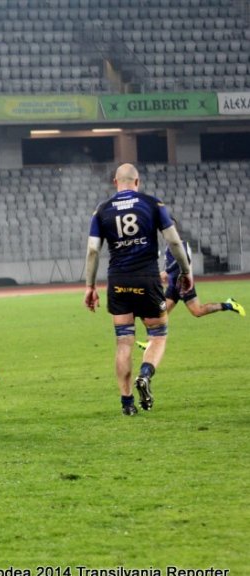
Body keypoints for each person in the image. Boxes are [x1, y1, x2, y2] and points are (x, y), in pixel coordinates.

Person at [84, 163, 192, 416]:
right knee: (158, 335)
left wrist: (90, 286)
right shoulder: (153, 204)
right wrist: (185, 271)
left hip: (118, 281)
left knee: (124, 342)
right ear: (137, 181)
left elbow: (93, 250)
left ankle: (127, 403)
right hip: (147, 280)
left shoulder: (102, 210)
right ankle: (145, 374)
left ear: (115, 182)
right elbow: (174, 241)